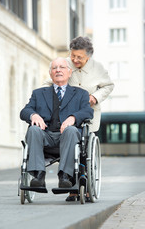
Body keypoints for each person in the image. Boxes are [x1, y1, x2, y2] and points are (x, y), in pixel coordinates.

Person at [43, 36, 114, 201]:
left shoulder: (98, 68)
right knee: (71, 145)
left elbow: (109, 85)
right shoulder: (65, 64)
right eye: (73, 55)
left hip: (88, 114)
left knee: (84, 151)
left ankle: (85, 186)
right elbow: (48, 83)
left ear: (88, 56)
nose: (74, 60)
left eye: (79, 57)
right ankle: (72, 188)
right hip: (66, 115)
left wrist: (95, 97)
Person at [20, 57, 93, 189]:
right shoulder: (38, 93)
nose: (58, 70)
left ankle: (65, 176)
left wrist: (73, 117)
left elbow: (88, 111)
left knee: (71, 130)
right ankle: (38, 176)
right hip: (45, 136)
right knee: (33, 129)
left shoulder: (81, 94)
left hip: (67, 137)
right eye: (54, 68)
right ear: (50, 73)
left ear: (70, 72)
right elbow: (25, 111)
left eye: (62, 67)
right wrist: (33, 115)